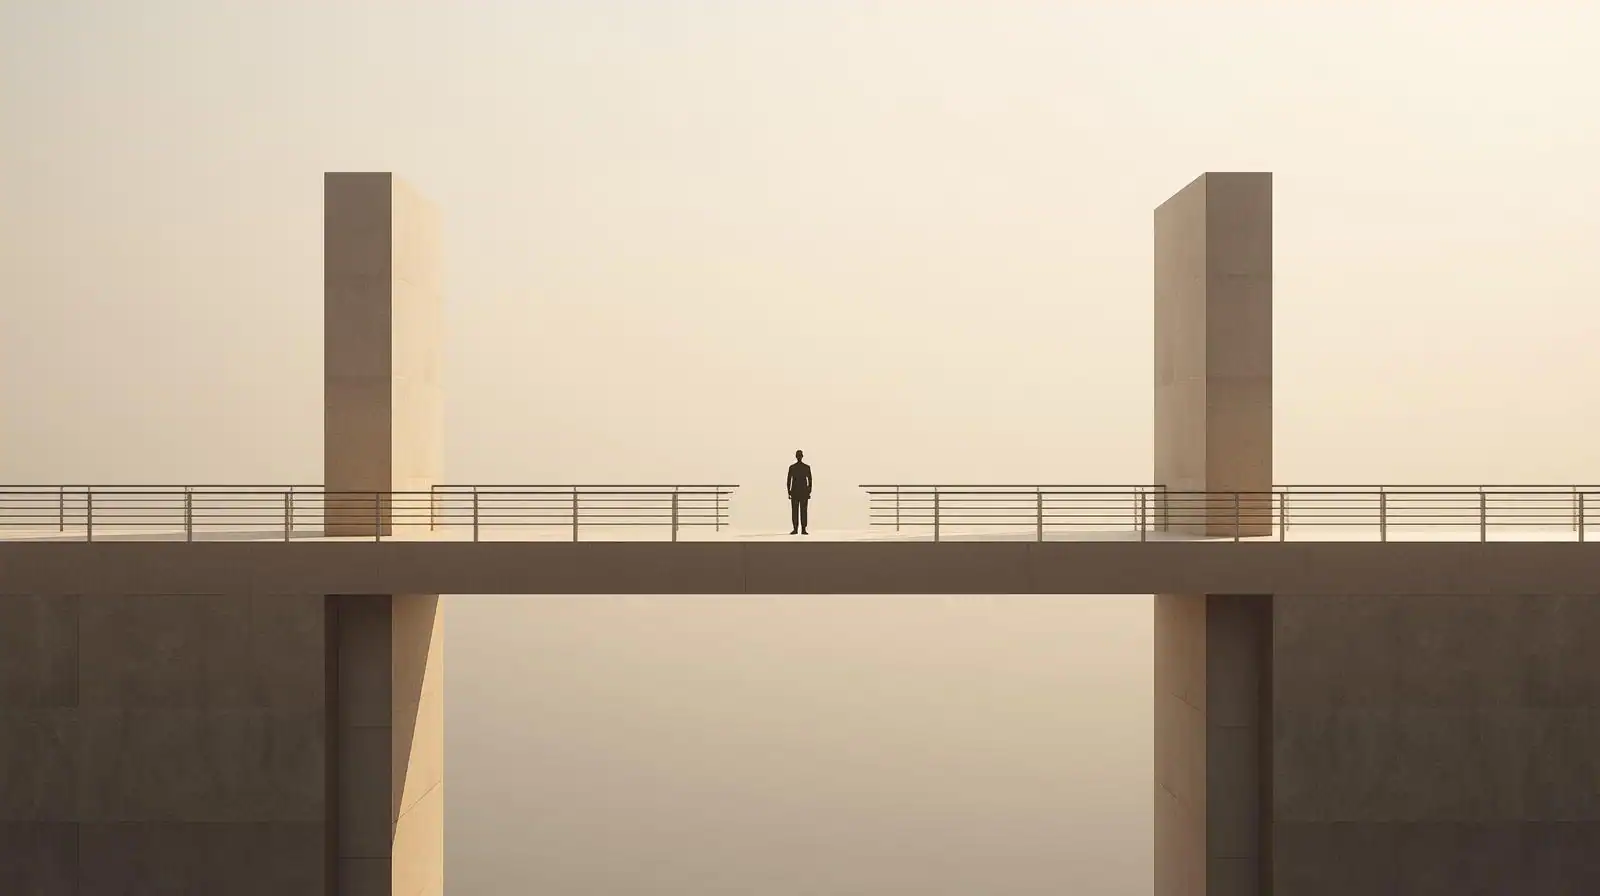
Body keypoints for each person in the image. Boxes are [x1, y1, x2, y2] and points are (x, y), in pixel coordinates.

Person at [787, 449, 812, 535]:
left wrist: (809, 491)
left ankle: (802, 528)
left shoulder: (805, 467)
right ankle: (797, 528)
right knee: (797, 511)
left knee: (801, 511)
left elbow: (810, 480)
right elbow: (789, 480)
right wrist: (789, 491)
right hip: (797, 492)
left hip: (801, 492)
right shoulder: (793, 467)